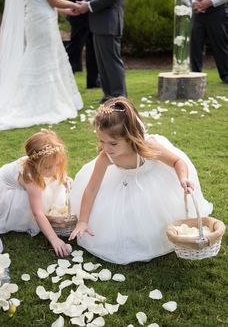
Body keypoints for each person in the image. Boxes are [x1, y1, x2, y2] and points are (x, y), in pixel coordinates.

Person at [69, 97, 213, 265]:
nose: (106, 147)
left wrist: (183, 178)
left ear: (130, 138)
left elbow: (177, 162)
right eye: (101, 141)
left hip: (154, 184)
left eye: (113, 143)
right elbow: (92, 189)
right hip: (123, 183)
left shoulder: (148, 147)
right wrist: (83, 221)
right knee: (123, 219)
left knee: (153, 217)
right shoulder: (106, 156)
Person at [0, 0, 83, 131]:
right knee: (45, 60)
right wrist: (76, 6)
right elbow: (52, 0)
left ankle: (41, 99)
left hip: (37, 19)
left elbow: (40, 0)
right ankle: (45, 103)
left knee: (40, 60)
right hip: (43, 22)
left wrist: (66, 10)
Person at [0, 129, 72, 257]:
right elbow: (38, 212)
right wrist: (54, 238)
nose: (54, 170)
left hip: (32, 181)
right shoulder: (31, 178)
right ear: (33, 164)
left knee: (49, 185)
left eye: (57, 164)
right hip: (8, 189)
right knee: (36, 201)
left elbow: (54, 168)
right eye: (48, 167)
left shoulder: (47, 163)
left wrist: (63, 178)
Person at [72, 0, 130, 103]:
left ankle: (119, 98)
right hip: (100, 23)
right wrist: (85, 2)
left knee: (112, 64)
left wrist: (89, 6)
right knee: (103, 64)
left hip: (109, 23)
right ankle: (109, 97)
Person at [182, 0, 228, 84]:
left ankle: (226, 75)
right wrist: (195, 3)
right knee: (195, 46)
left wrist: (210, 2)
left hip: (217, 13)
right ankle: (195, 75)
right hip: (197, 14)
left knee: (220, 45)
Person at [66, 0, 100, 89]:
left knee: (93, 48)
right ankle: (66, 79)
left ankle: (93, 81)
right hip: (79, 12)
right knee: (75, 48)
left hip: (91, 13)